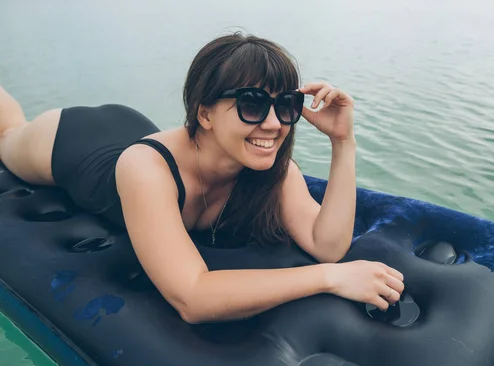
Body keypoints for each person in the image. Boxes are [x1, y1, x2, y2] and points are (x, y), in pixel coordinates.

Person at [0, 32, 404, 323]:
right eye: (251, 104)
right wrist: (329, 279)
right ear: (205, 113)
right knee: (7, 133)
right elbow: (192, 297)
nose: (272, 123)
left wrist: (343, 141)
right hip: (75, 142)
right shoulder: (145, 169)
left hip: (138, 132)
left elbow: (327, 244)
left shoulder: (273, 169)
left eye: (285, 105)